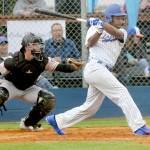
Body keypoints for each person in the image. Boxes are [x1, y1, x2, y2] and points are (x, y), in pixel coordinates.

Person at [46, 4, 150, 136]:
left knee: (90, 108)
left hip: (102, 71)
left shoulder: (122, 32)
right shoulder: (95, 27)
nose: (122, 21)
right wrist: (99, 28)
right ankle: (139, 125)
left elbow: (115, 33)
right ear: (109, 18)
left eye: (123, 18)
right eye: (118, 18)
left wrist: (102, 24)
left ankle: (56, 120)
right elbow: (89, 43)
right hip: (95, 67)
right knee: (121, 92)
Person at [0, 33, 82, 131]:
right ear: (27, 46)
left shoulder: (42, 60)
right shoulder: (12, 61)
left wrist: (73, 67)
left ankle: (28, 123)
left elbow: (59, 67)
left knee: (49, 99)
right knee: (1, 95)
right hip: (10, 86)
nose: (38, 47)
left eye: (39, 44)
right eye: (35, 44)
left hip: (29, 89)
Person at [44, 23, 81, 87]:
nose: (58, 33)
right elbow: (42, 58)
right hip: (51, 69)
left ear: (62, 31)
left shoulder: (70, 43)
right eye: (55, 31)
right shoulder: (46, 44)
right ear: (51, 32)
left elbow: (78, 58)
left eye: (60, 30)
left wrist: (63, 60)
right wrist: (53, 60)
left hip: (66, 68)